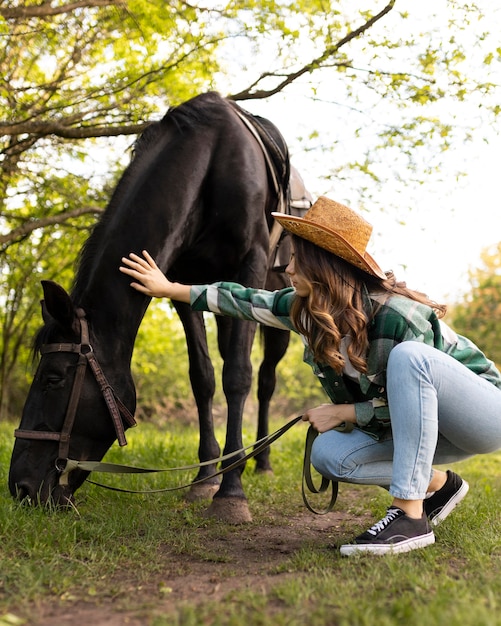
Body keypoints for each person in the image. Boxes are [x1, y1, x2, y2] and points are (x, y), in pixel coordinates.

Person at [119, 196, 501, 556]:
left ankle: (409, 516)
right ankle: (438, 487)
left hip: (482, 415)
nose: (286, 269)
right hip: (424, 430)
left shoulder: (398, 316)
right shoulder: (307, 311)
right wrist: (170, 288)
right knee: (330, 455)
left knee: (409, 358)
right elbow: (247, 301)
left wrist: (346, 413)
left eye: (297, 260)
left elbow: (418, 391)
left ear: (326, 266)